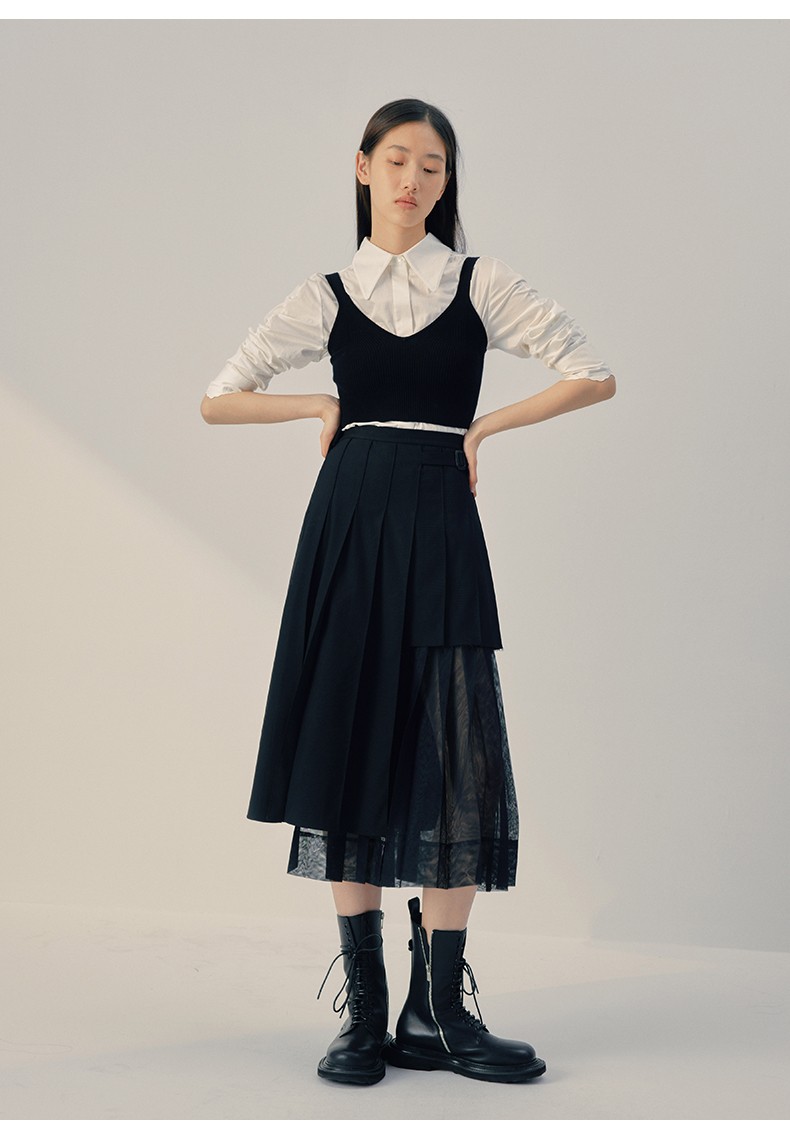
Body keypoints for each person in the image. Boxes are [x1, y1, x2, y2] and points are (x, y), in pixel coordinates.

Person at [200, 97, 616, 1087]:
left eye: (432, 165)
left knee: (454, 749)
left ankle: (438, 1012)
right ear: (363, 168)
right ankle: (365, 1012)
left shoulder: (481, 282)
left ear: (445, 180)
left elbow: (591, 373)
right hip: (347, 519)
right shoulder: (327, 292)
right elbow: (219, 396)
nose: (413, 180)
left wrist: (485, 428)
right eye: (396, 160)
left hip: (438, 513)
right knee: (347, 736)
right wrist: (318, 401)